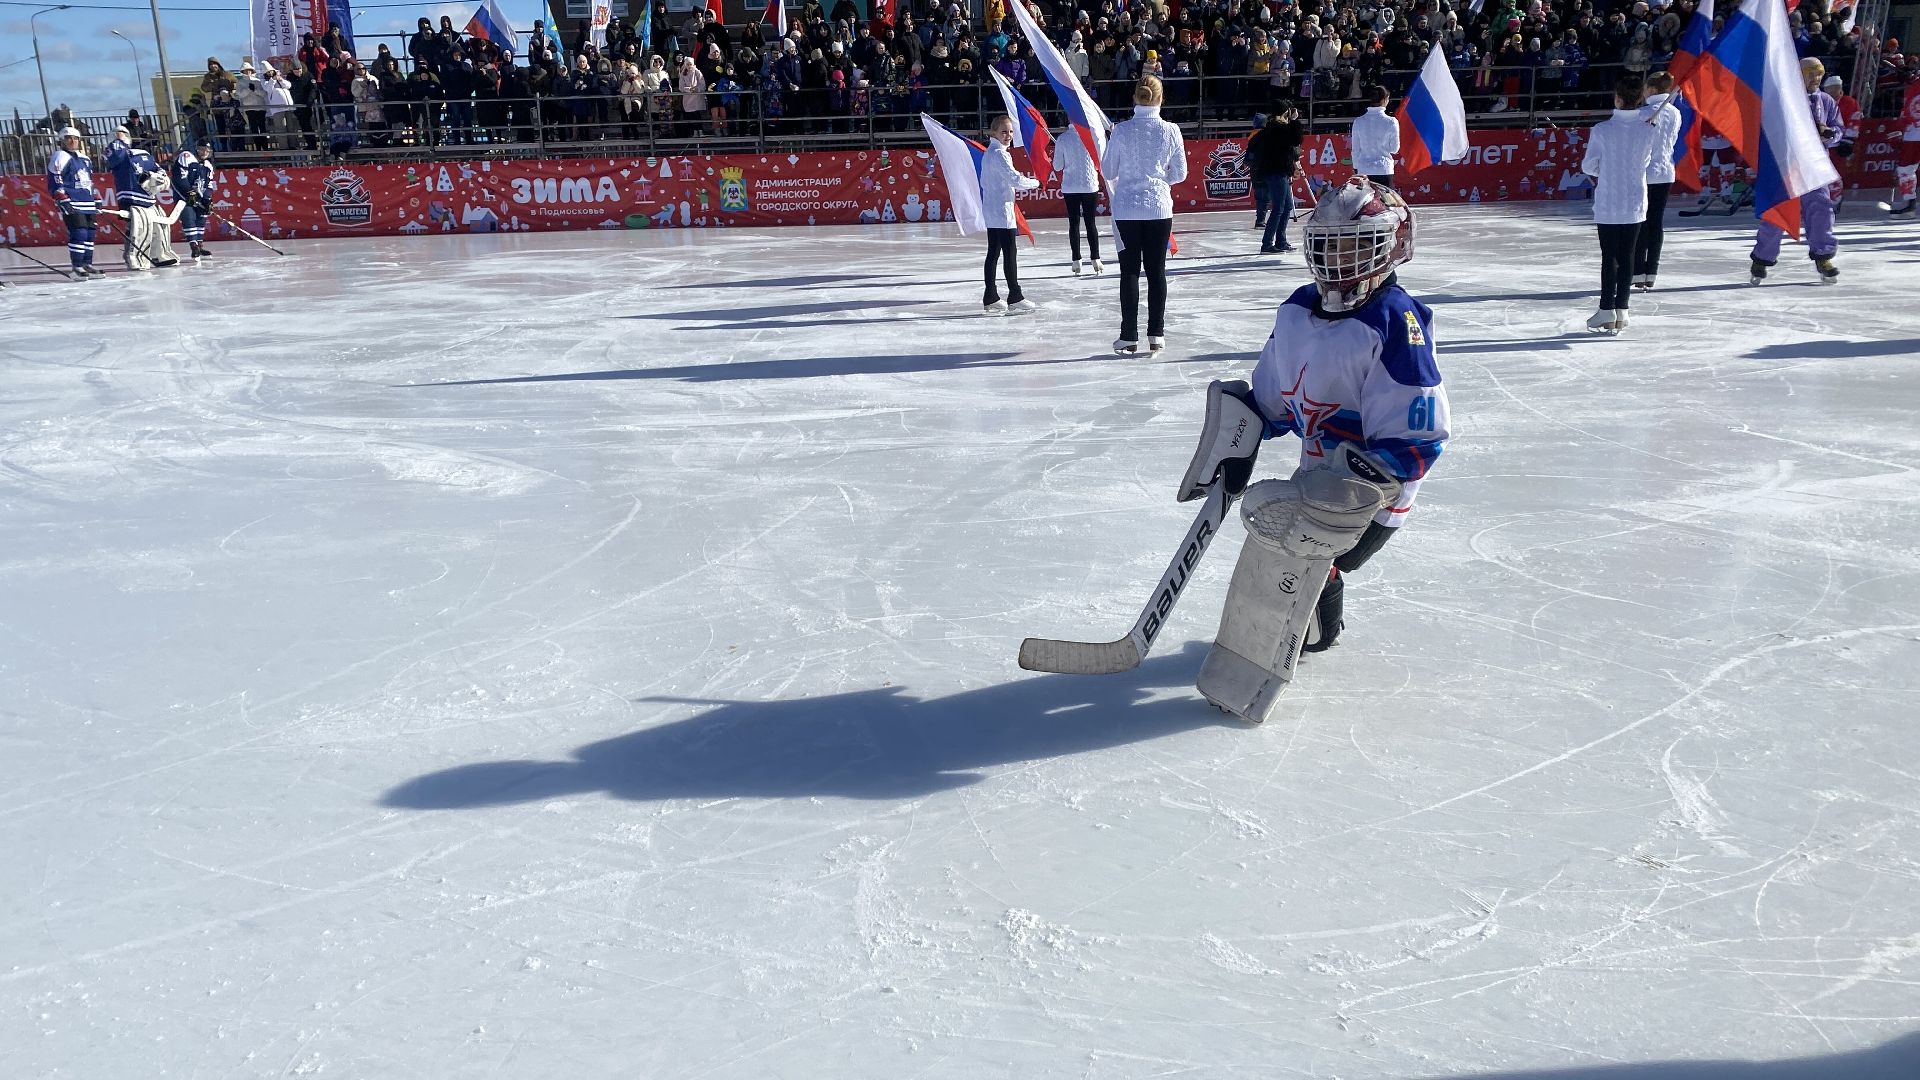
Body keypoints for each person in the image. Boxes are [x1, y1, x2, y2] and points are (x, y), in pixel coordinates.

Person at [1176, 177, 1449, 723]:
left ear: (1393, 246)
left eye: (1357, 245)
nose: (1339, 258)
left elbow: (1417, 438)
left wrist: (1358, 488)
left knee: (1317, 551)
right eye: (1328, 244)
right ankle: (1313, 626)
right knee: (1285, 535)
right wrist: (1238, 431)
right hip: (1315, 473)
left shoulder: (1396, 321)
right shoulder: (1297, 311)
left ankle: (1318, 621)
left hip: (1375, 494)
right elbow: (1273, 401)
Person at [1100, 74, 1186, 354]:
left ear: (1134, 97)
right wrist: (1160, 181)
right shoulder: (1171, 130)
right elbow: (1181, 173)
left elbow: (1108, 170)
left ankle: (1128, 335)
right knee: (1156, 271)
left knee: (1129, 272)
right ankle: (1156, 334)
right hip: (1158, 208)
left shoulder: (1122, 131)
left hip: (1126, 209)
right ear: (1161, 98)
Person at [1751, 57, 1843, 285]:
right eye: (1811, 73)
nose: (1816, 78)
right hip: (1787, 164)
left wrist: (1830, 135)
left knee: (1821, 209)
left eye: (1819, 73)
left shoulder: (1826, 101)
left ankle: (1823, 256)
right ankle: (1762, 258)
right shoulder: (1785, 99)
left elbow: (1838, 127)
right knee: (1778, 210)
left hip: (1814, 165)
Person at [1580, 74, 1660, 333]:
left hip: (1609, 201)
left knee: (1610, 257)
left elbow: (1588, 165)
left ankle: (1607, 309)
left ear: (1617, 98)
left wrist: (1606, 170)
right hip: (1634, 200)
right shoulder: (1647, 129)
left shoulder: (1602, 130)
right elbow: (1645, 162)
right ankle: (1622, 309)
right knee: (1627, 256)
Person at [979, 112, 1039, 315]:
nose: (1008, 136)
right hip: (1001, 211)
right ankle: (1015, 296)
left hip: (993, 209)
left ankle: (991, 296)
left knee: (994, 253)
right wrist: (1036, 183)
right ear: (994, 133)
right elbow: (1015, 180)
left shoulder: (991, 153)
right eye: (1004, 132)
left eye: (1011, 132)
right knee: (1008, 253)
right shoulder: (999, 154)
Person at [104, 125, 179, 270]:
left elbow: (159, 170)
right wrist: (118, 142)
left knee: (160, 227)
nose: (122, 135)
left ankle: (160, 254)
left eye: (124, 134)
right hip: (130, 197)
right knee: (138, 228)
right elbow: (114, 159)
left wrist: (157, 177)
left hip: (148, 198)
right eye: (118, 134)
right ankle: (134, 257)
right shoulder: (115, 151)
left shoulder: (143, 154)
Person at [1634, 71, 1683, 291]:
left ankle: (1638, 269)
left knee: (1640, 222)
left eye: (1645, 89)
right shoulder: (1674, 113)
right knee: (1655, 222)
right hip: (1665, 172)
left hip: (1645, 173)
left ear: (1652, 89)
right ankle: (1651, 270)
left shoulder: (1644, 113)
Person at [46, 127, 101, 277]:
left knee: (90, 234)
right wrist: (61, 196)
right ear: (62, 141)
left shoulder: (85, 159)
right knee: (79, 233)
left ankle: (87, 264)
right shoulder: (60, 156)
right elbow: (55, 177)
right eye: (68, 138)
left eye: (75, 138)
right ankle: (77, 267)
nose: (72, 141)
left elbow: (89, 180)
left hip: (87, 201)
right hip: (72, 201)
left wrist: (96, 196)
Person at [1251, 104, 1304, 254]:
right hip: (1276, 172)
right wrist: (1294, 121)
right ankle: (1267, 244)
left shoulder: (1271, 128)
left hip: (1278, 171)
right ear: (1284, 112)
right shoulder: (1278, 129)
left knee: (1287, 207)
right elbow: (1296, 139)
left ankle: (1280, 241)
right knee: (1279, 208)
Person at [1052, 128, 1102, 275]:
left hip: (1071, 186)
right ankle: (1096, 258)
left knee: (1074, 223)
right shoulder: (1093, 136)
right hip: (1089, 184)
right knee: (1090, 222)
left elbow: (1057, 166)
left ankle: (1076, 260)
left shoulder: (1063, 139)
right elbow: (1100, 159)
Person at [171, 141, 216, 259]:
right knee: (189, 218)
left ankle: (199, 245)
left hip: (198, 196)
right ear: (196, 149)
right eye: (202, 149)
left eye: (207, 151)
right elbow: (179, 177)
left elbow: (209, 184)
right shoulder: (186, 157)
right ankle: (194, 246)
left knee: (201, 218)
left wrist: (206, 198)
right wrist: (190, 193)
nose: (205, 152)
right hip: (184, 195)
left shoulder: (208, 165)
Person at [1350, 85, 1399, 188]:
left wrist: (1356, 167)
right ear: (1385, 99)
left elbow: (1355, 149)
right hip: (1383, 168)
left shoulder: (1358, 121)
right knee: (1385, 198)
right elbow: (1394, 149)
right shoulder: (1391, 122)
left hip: (1364, 169)